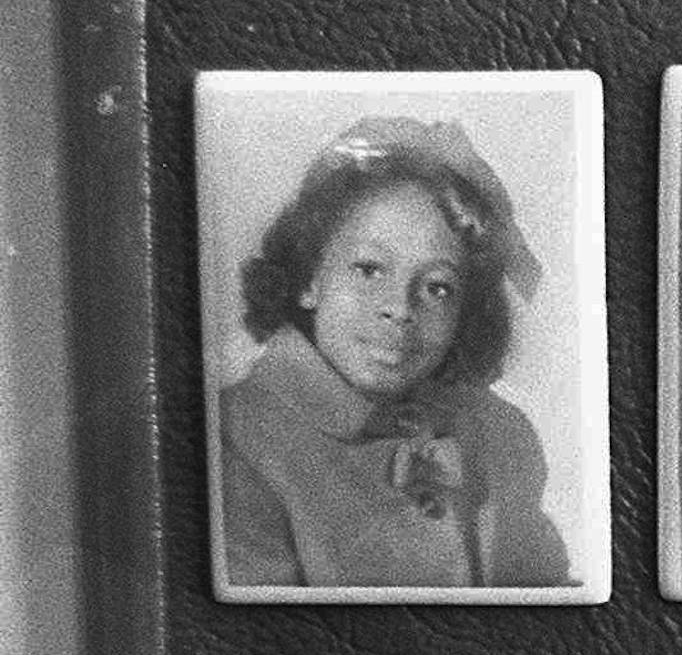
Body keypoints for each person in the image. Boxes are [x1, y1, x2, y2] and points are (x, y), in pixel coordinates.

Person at [218, 117, 569, 591]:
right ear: (308, 279)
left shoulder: (503, 436)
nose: (400, 309)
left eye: (437, 287)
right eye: (369, 269)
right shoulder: (235, 437)